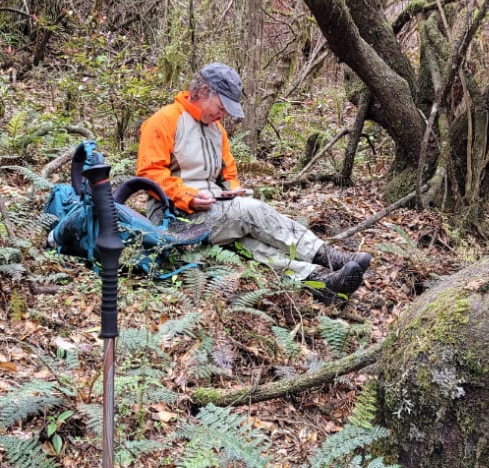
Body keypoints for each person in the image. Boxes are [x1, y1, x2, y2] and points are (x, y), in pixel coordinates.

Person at [136, 62, 371, 301]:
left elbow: (228, 175)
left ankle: (320, 280)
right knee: (250, 211)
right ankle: (327, 256)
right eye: (221, 107)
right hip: (173, 216)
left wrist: (233, 192)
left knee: (251, 241)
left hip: (214, 210)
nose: (223, 114)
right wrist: (189, 197)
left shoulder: (217, 131)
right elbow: (149, 175)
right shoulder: (164, 121)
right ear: (204, 91)